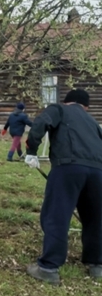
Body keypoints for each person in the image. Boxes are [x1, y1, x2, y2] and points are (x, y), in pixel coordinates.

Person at [24, 89, 102, 285]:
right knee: (95, 218)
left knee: (56, 216)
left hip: (68, 167)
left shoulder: (59, 108)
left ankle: (48, 267)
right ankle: (97, 265)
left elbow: (41, 123)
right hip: (98, 172)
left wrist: (31, 151)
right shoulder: (93, 122)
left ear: (67, 101)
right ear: (86, 106)